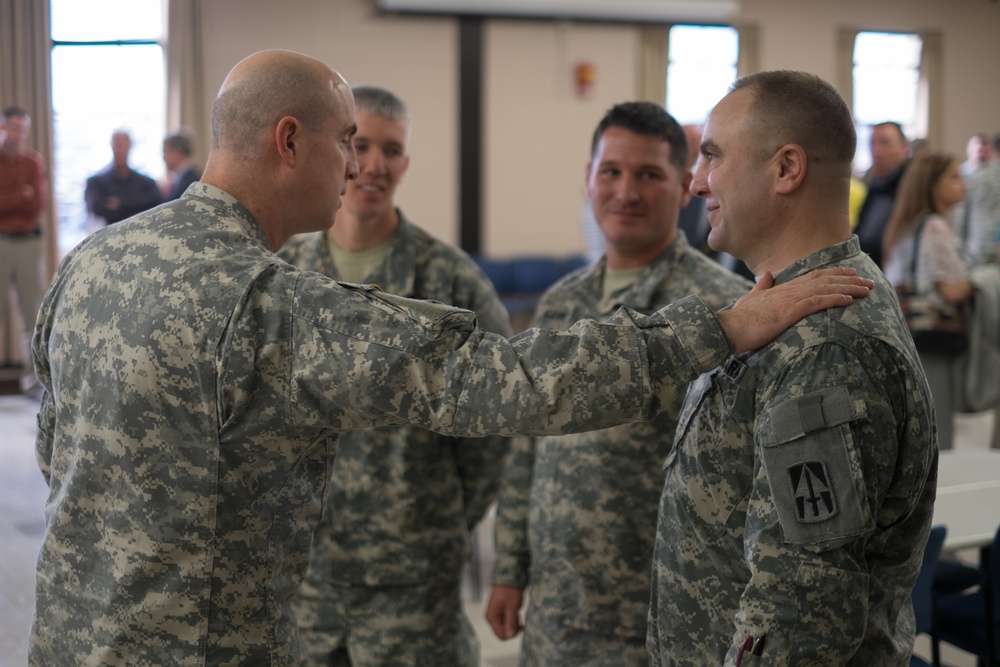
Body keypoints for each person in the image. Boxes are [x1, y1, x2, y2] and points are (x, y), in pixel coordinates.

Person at [29, 50, 872, 666]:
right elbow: (507, 385)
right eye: (344, 141)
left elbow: (51, 440)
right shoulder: (270, 304)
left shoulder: (94, 260)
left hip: (68, 637)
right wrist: (718, 328)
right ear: (289, 141)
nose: (356, 165)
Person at [647, 71, 935, 666]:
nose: (696, 182)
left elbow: (801, 612)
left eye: (713, 156)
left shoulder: (826, 345)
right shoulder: (782, 308)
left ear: (786, 169)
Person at [486, 102, 751, 665]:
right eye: (612, 171)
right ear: (588, 179)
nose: (626, 192)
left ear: (684, 188)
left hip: (663, 618)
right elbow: (524, 447)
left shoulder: (721, 310)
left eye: (649, 175)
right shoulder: (562, 302)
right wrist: (509, 569)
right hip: (558, 613)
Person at [278, 85, 511, 666]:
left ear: (406, 162)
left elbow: (494, 431)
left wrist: (442, 517)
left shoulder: (451, 284)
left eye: (393, 149)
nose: (374, 165)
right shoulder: (284, 279)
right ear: (336, 152)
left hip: (412, 577)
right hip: (302, 575)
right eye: (359, 144)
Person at [883, 153, 971, 451]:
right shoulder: (933, 226)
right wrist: (982, 279)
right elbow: (952, 290)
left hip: (909, 337)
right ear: (932, 185)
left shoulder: (906, 224)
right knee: (939, 429)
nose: (963, 184)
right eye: (954, 177)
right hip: (933, 338)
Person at [0, 106, 47, 398]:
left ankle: (33, 382)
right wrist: (20, 195)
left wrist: (11, 200)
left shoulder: (33, 162)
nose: (18, 136)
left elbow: (36, 205)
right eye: (14, 129)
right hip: (1, 241)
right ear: (3, 128)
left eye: (23, 130)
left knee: (33, 314)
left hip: (28, 242)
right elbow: (22, 200)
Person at [854, 121, 911, 268]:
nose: (876, 151)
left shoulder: (911, 187)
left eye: (885, 143)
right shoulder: (875, 184)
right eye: (872, 143)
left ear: (905, 148)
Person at [84, 128, 162, 224]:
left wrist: (120, 203)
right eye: (117, 145)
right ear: (112, 146)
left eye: (123, 145)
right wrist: (136, 205)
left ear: (130, 146)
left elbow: (156, 205)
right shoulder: (97, 183)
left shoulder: (146, 183)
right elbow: (97, 208)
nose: (120, 150)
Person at [162, 130, 201, 200]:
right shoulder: (179, 179)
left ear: (178, 151)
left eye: (166, 152)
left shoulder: (192, 180)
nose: (164, 158)